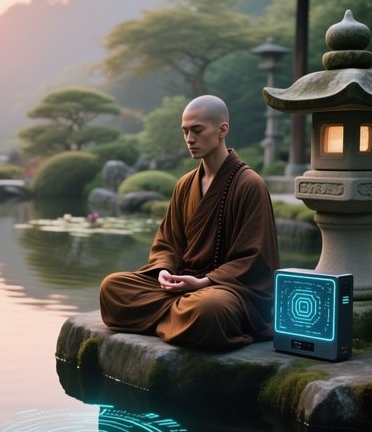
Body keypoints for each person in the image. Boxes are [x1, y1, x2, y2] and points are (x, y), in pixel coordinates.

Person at [98, 94, 278, 351]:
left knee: (209, 310)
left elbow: (254, 258)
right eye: (185, 132)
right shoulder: (185, 184)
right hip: (182, 285)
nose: (189, 139)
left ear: (222, 130)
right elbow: (168, 242)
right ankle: (179, 322)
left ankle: (169, 319)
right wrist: (164, 270)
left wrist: (205, 282)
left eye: (197, 130)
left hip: (224, 290)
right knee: (112, 287)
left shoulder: (249, 185)